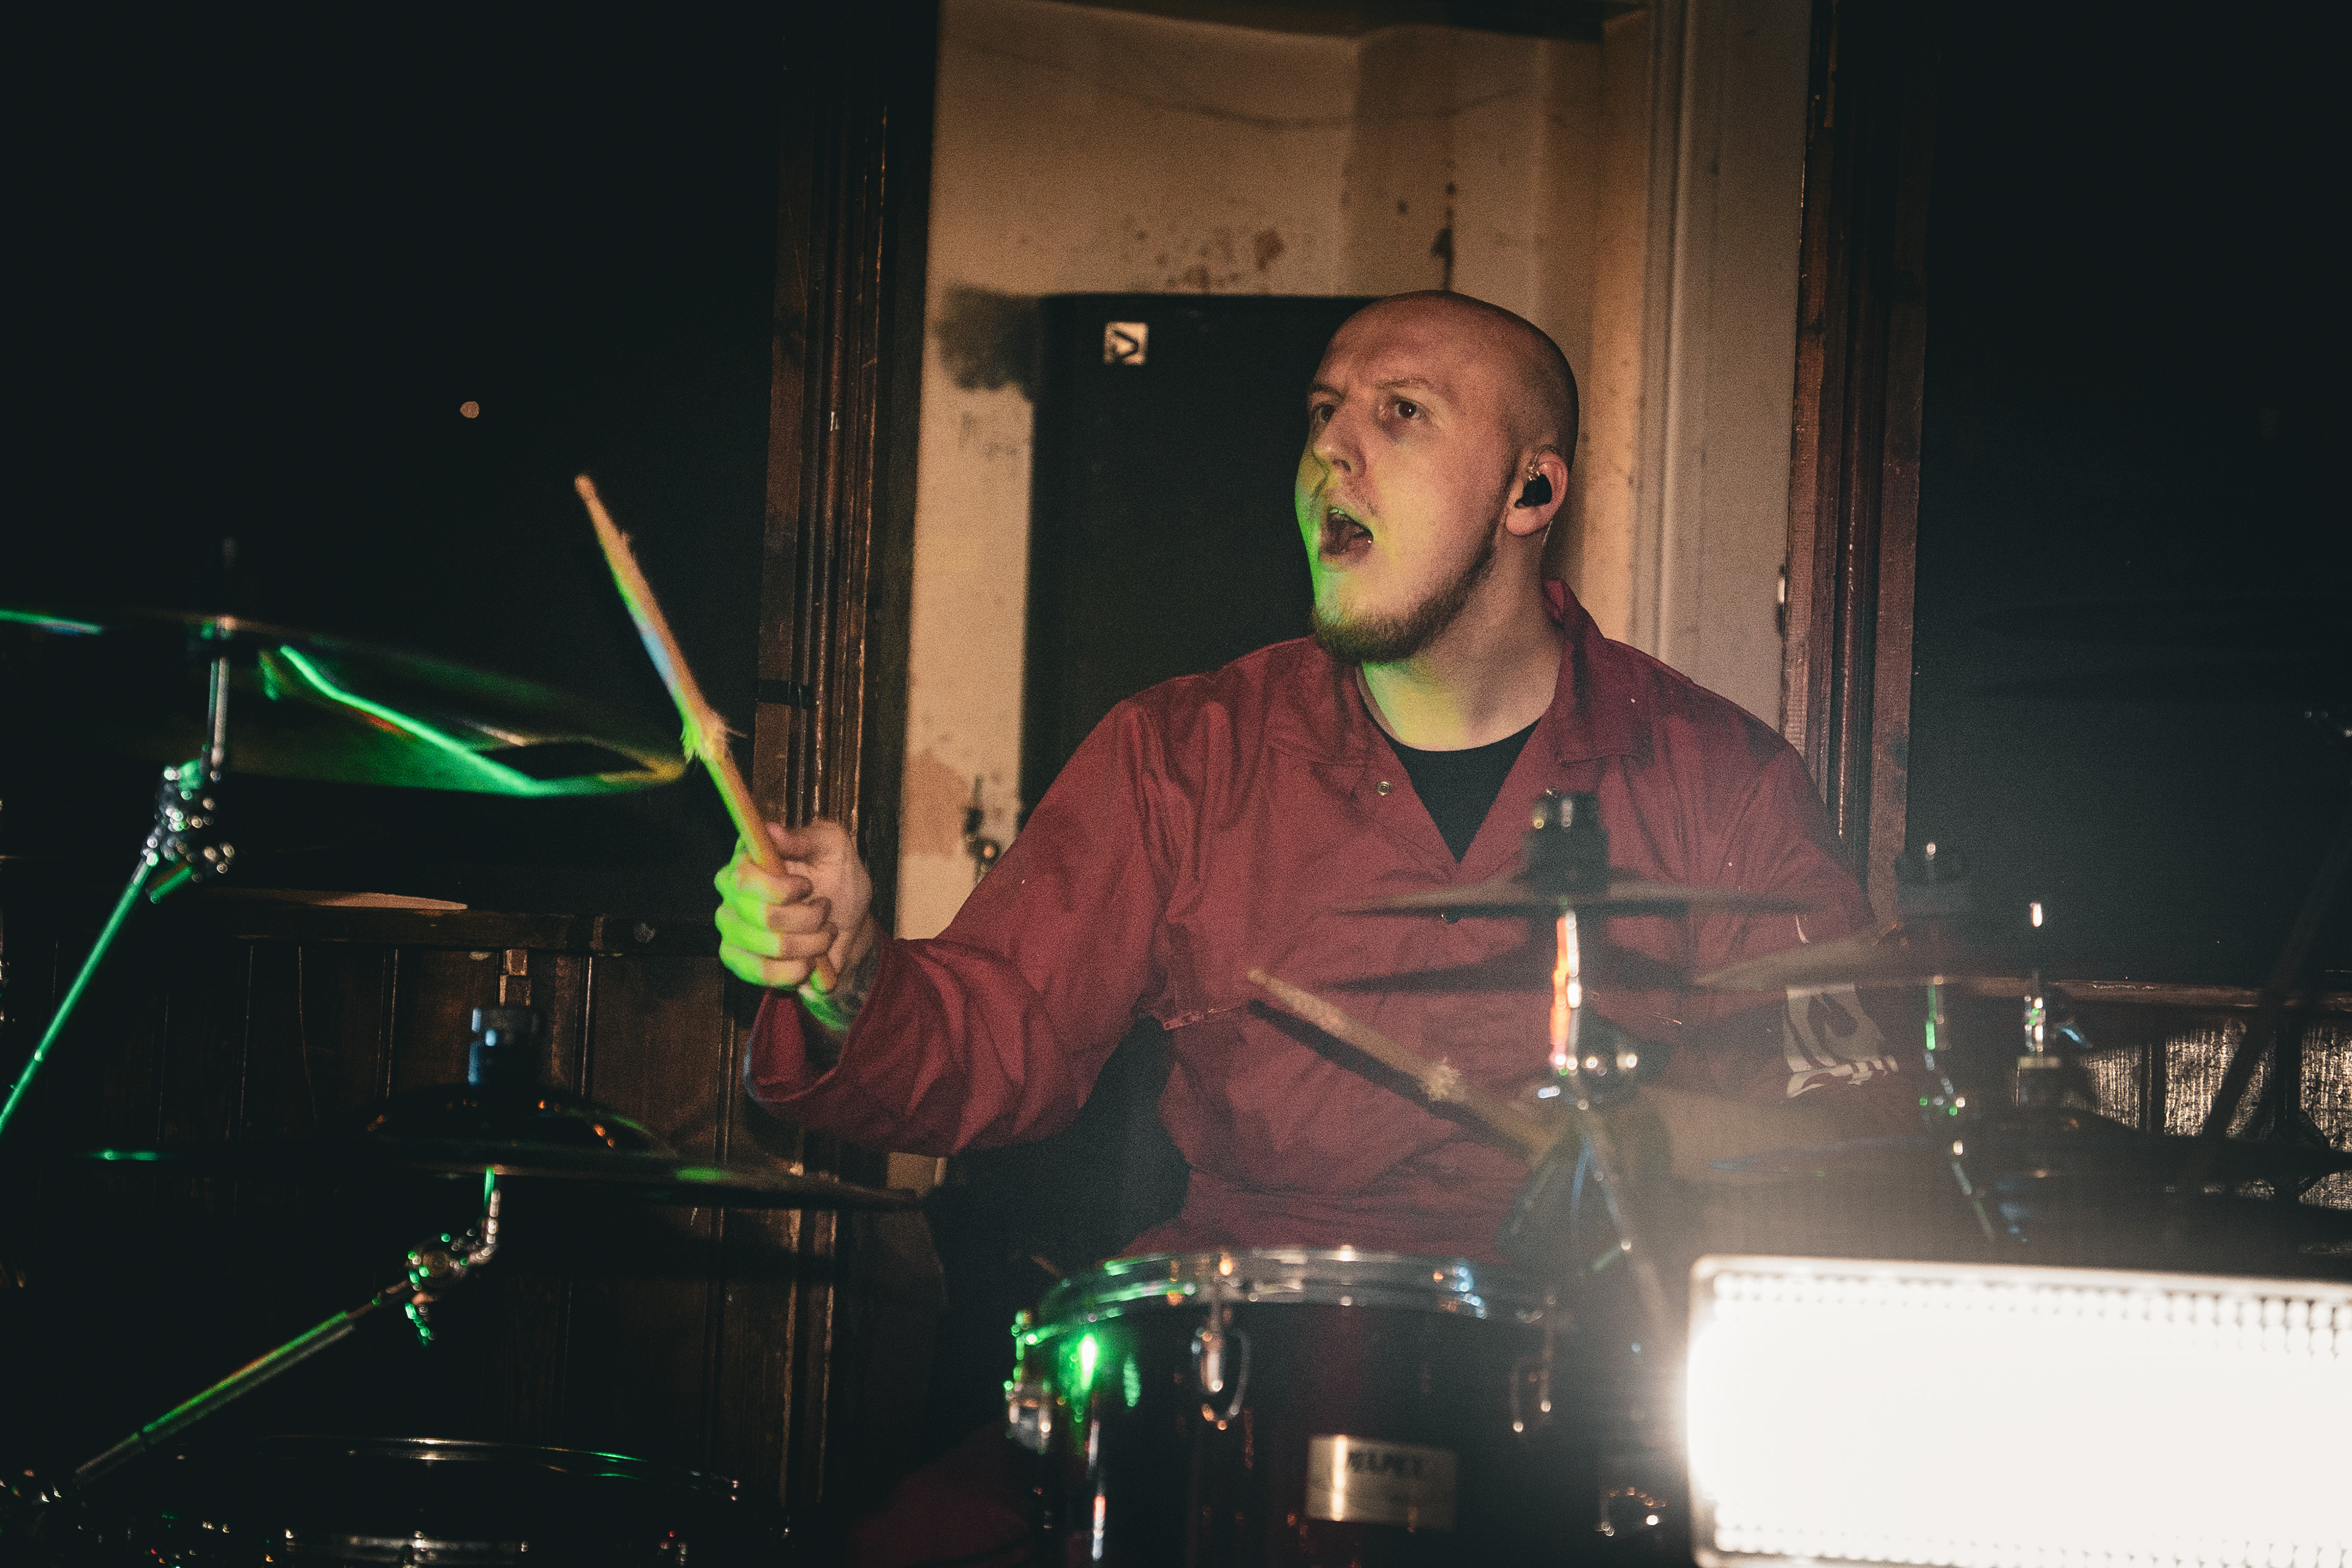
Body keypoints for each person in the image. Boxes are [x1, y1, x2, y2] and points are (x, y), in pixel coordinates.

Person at [712, 290, 1903, 1268]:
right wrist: (848, 971)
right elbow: (997, 1038)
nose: (1332, 447)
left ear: (1532, 492)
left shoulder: (1721, 780)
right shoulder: (1185, 754)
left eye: (1401, 413)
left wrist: (1655, 1146)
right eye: (1324, 411)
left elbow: (1852, 1121)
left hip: (1594, 1381)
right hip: (1253, 1369)